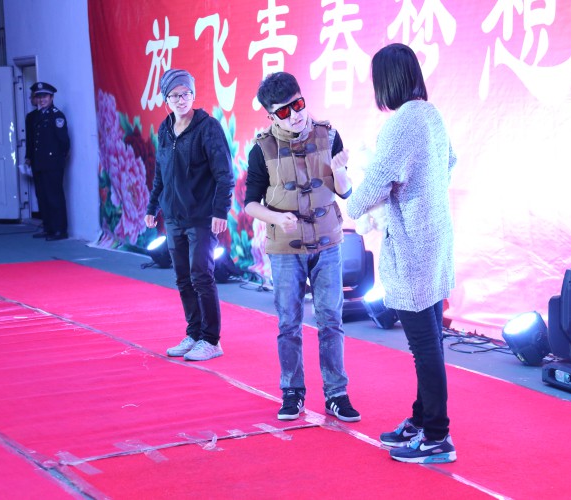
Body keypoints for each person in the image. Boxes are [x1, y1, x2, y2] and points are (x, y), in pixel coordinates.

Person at [347, 43, 457, 463]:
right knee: (430, 341)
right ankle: (422, 420)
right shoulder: (430, 114)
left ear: (386, 82)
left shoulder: (400, 124)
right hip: (435, 238)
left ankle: (437, 436)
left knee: (424, 347)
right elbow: (450, 161)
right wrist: (424, 193)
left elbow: (374, 186)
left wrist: (350, 204)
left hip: (413, 246)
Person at [244, 72, 361, 422]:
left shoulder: (329, 135)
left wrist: (339, 170)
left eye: (298, 105)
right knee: (289, 322)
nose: (295, 115)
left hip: (327, 243)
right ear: (271, 115)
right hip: (285, 248)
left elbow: (345, 191)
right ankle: (292, 392)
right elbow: (251, 204)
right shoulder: (261, 149)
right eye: (284, 111)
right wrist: (277, 218)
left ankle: (336, 394)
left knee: (331, 320)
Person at [145, 69, 234, 362]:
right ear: (166, 100)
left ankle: (211, 340)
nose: (181, 100)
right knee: (182, 278)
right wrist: (152, 207)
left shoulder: (208, 128)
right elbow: (160, 172)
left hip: (201, 216)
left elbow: (224, 174)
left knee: (201, 277)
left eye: (186, 94)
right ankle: (194, 333)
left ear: (193, 95)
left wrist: (220, 211)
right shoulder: (165, 129)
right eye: (175, 95)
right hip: (173, 217)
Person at [25, 82, 70, 241]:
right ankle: (48, 227)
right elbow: (32, 140)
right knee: (42, 196)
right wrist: (29, 157)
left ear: (51, 97)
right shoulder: (36, 116)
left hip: (52, 163)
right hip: (39, 163)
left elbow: (64, 141)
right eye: (39, 97)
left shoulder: (56, 115)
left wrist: (59, 159)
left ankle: (59, 230)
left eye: (45, 96)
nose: (42, 100)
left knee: (54, 196)